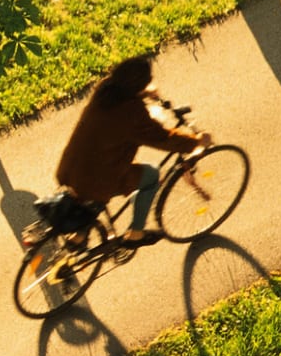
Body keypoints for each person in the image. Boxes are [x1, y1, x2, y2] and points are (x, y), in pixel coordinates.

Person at [55, 54, 208, 244]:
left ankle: (79, 235)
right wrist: (196, 141)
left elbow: (122, 100)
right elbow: (163, 138)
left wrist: (143, 94)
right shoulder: (132, 113)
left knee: (97, 183)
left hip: (71, 167)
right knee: (151, 176)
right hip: (96, 179)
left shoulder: (105, 88)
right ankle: (136, 233)